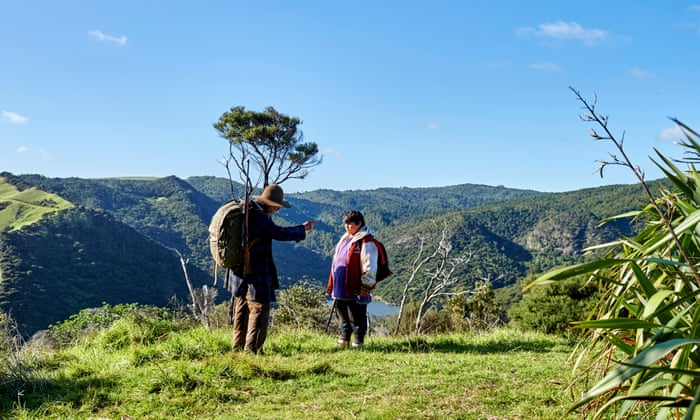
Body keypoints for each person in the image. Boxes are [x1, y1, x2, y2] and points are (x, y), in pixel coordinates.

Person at [232, 184, 316, 354]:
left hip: (239, 268)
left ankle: (237, 347)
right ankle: (252, 349)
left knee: (242, 306)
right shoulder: (258, 216)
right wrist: (302, 229)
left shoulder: (247, 210)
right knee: (259, 308)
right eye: (277, 206)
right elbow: (277, 232)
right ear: (271, 203)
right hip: (256, 269)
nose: (278, 209)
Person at [326, 210, 378, 348]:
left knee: (357, 316)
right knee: (342, 315)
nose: (348, 227)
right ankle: (344, 340)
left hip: (356, 286)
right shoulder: (345, 238)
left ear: (359, 223)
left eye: (351, 224)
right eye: (346, 224)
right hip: (340, 286)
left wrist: (366, 285)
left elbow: (370, 264)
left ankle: (358, 342)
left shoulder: (366, 241)